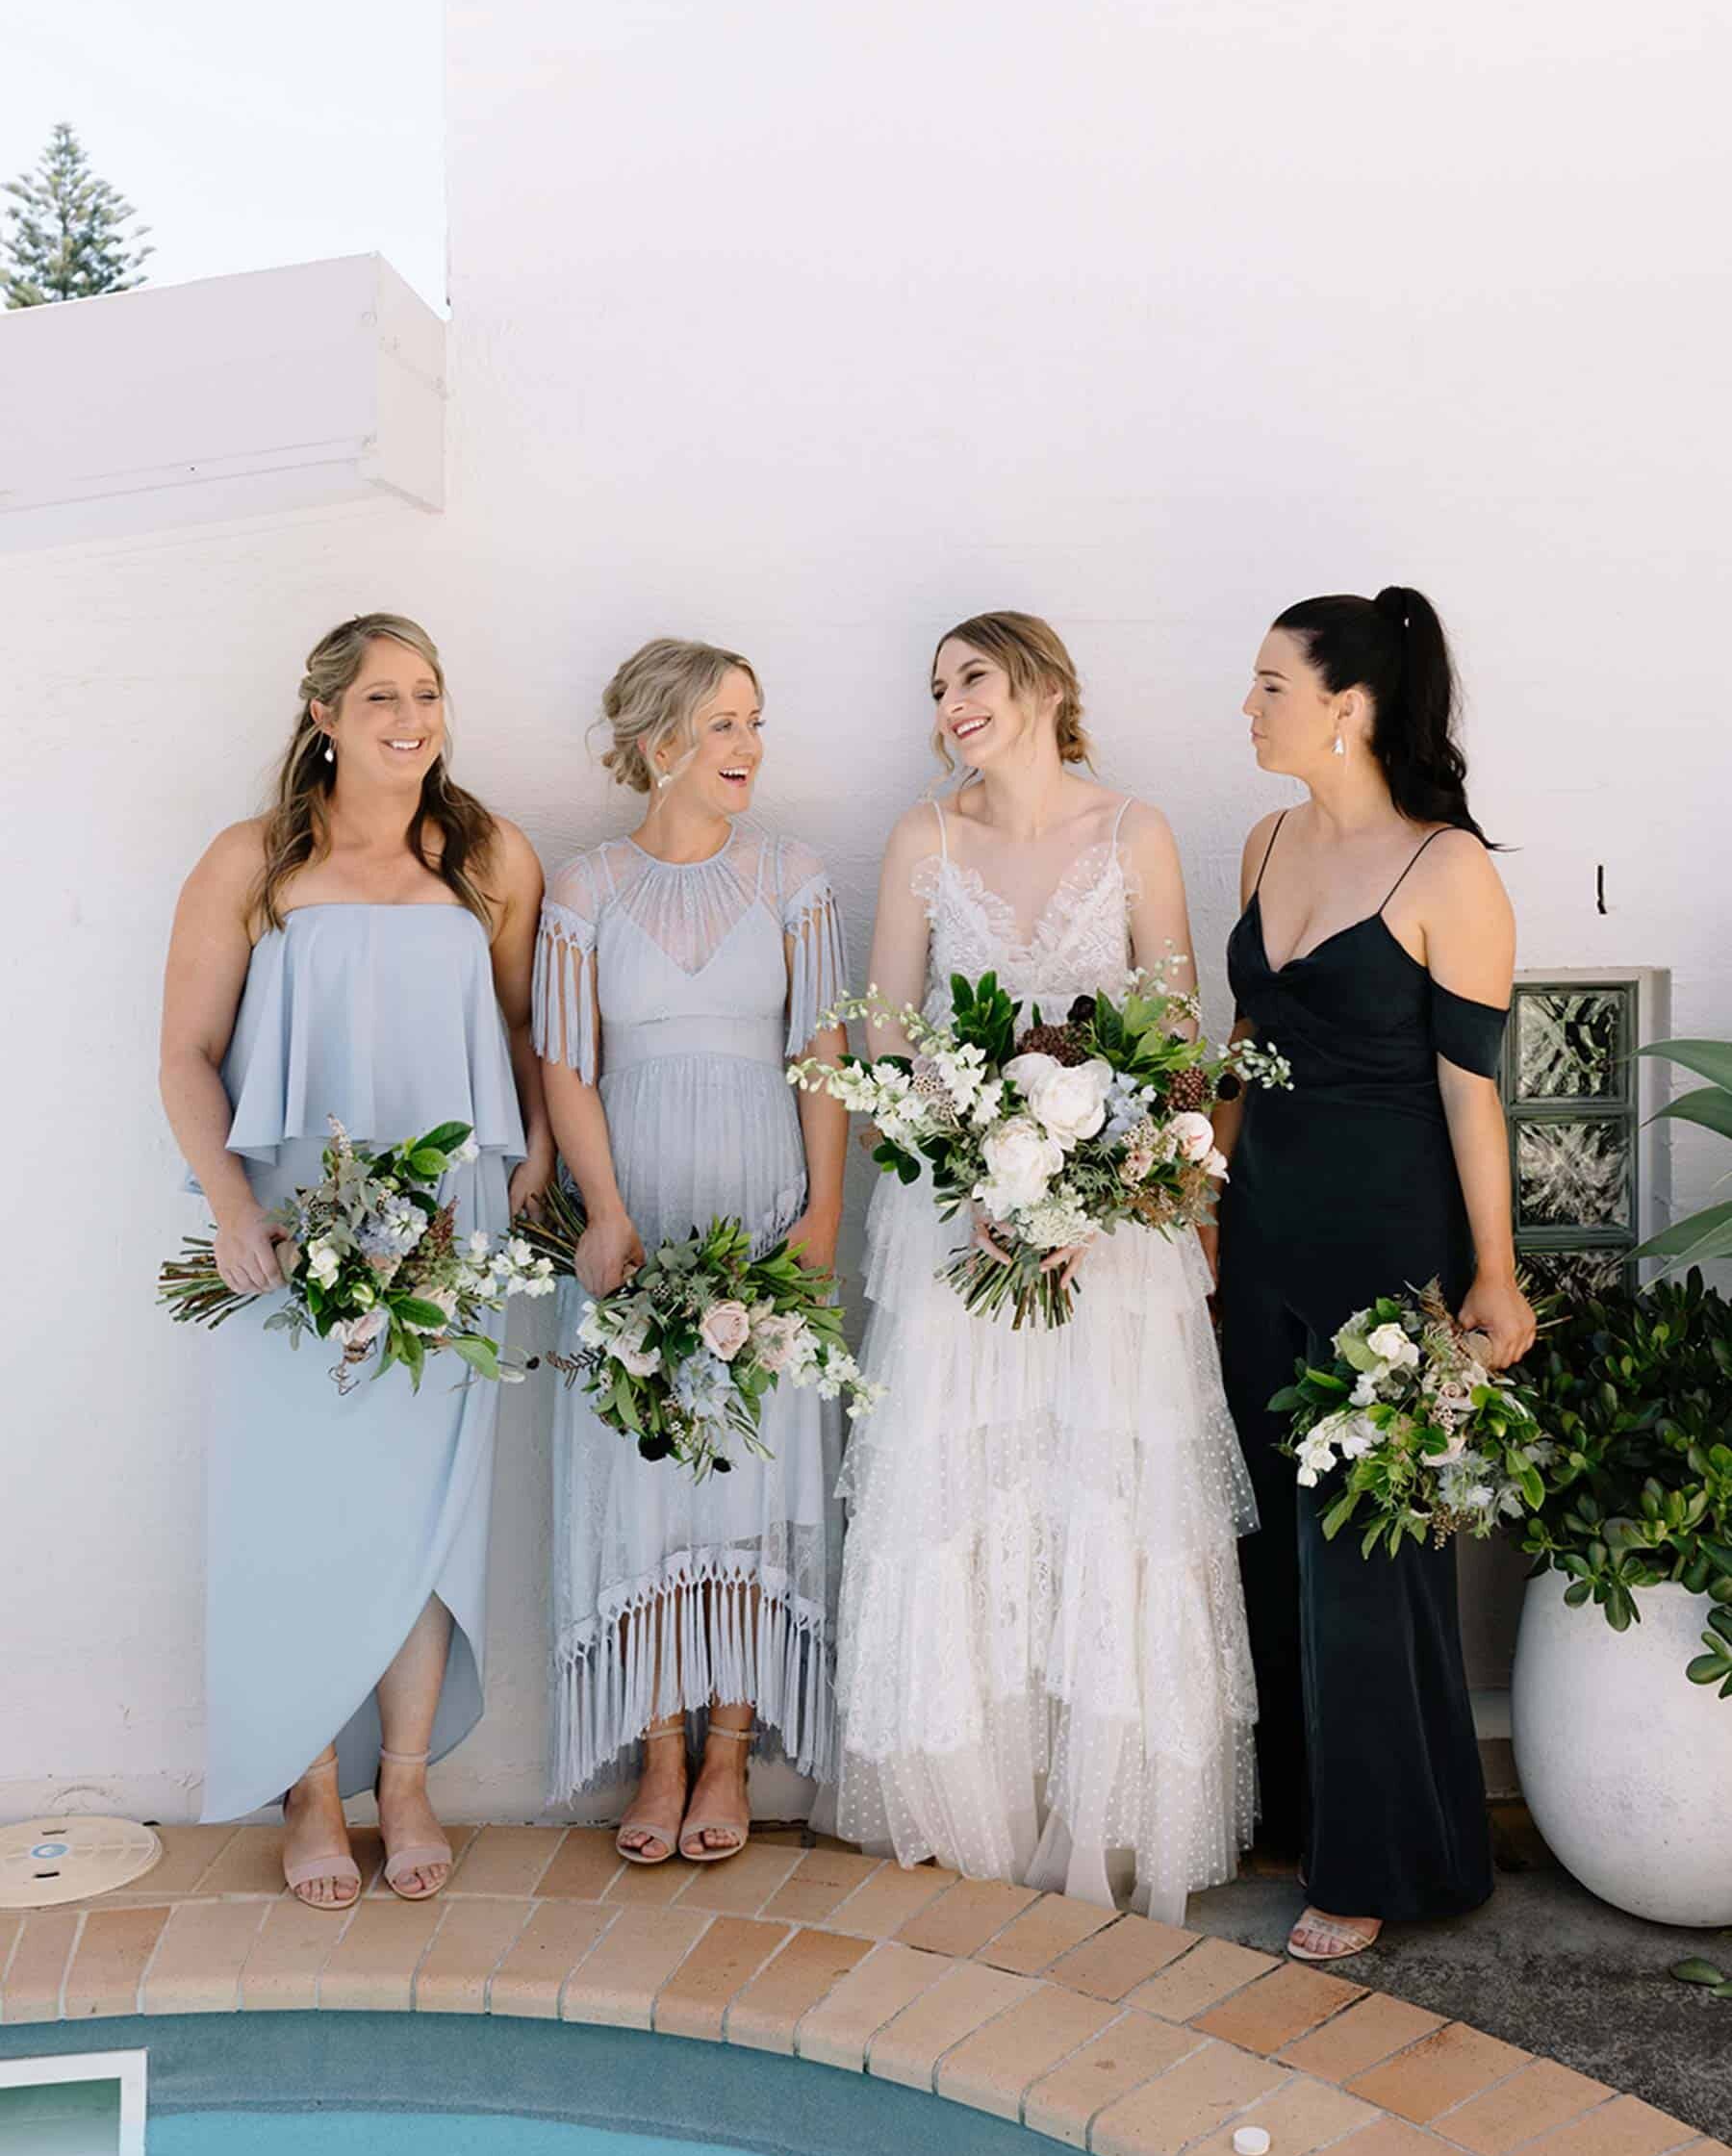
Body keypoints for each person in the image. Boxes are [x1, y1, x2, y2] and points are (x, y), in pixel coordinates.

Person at [831, 611, 1257, 1924]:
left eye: (975, 675)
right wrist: (977, 1182)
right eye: (938, 685)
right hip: (957, 1231)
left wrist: (1096, 1193)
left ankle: (1106, 1820)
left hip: (1113, 1240)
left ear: (1046, 684)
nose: (953, 702)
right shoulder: (925, 838)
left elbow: (1177, 1040)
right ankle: (974, 1811)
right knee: (972, 1492)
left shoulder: (1135, 831)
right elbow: (892, 1046)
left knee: (1101, 1492)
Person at [161, 611, 550, 1908]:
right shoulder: (249, 861)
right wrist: (228, 1202)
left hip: (449, 1232)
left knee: (427, 1507)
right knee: (293, 1504)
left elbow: (519, 1030)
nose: (411, 718)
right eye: (382, 695)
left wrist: (532, 1166)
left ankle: (409, 1776)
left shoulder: (489, 856)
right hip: (291, 1229)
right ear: (322, 713)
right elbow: (184, 1053)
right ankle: (312, 1782)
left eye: (429, 692)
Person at [1216, 585, 1537, 1964]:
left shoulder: (1449, 872)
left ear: (1347, 706)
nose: (1248, 705)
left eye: (1271, 684)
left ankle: (1378, 1859)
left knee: (1363, 1550)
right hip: (1263, 1233)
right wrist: (1194, 1184)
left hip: (1387, 1243)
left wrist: (1499, 1278)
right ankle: (1302, 1812)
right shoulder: (1264, 838)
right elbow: (1244, 1036)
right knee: (1264, 1537)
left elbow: (1476, 1095)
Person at [535, 638, 849, 1864]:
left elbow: (823, 1052)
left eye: (755, 723)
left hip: (762, 1206)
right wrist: (602, 1210)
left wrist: (822, 1211)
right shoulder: (587, 884)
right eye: (724, 724)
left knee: (751, 1472)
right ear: (661, 741)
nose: (749, 748)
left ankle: (731, 1745)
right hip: (640, 1205)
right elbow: (567, 1059)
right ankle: (656, 1750)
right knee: (645, 1474)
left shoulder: (795, 874)